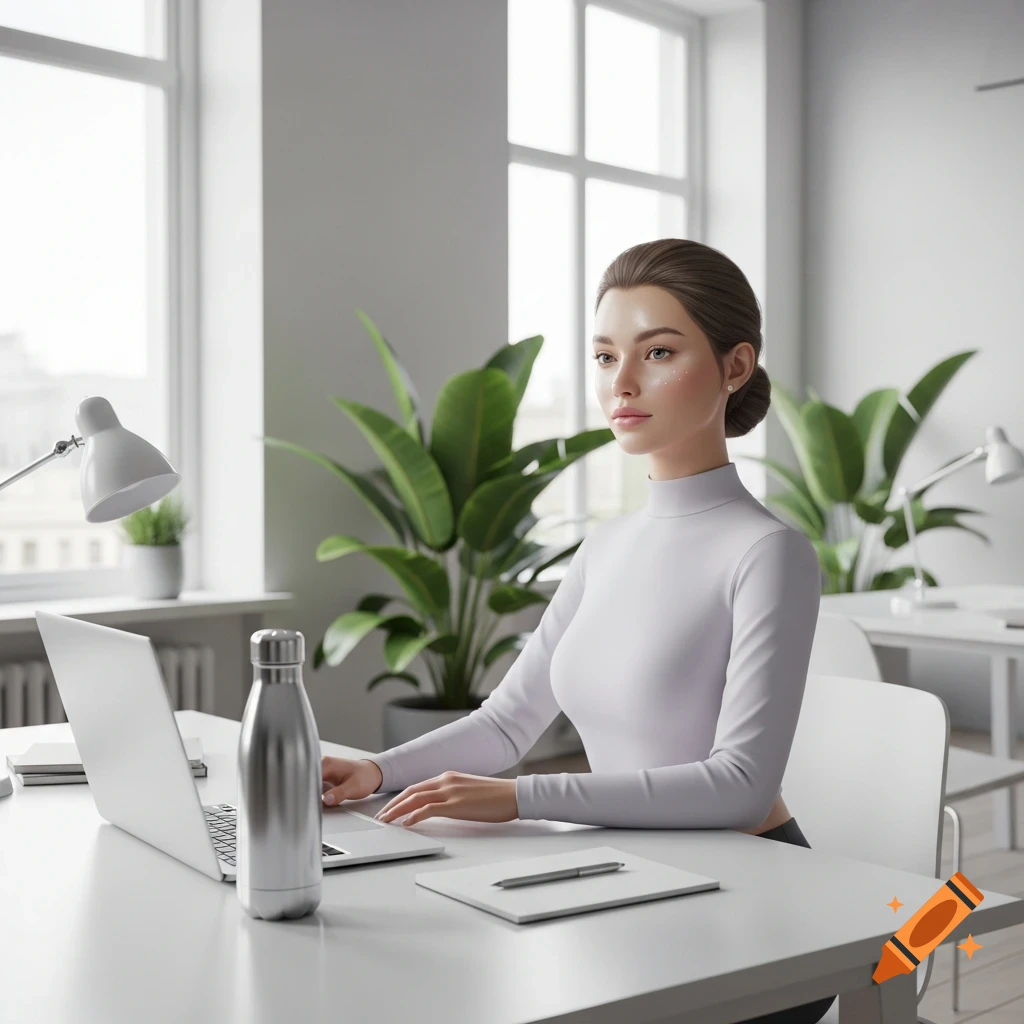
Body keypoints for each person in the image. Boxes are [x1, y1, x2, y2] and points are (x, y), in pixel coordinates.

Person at [321, 238, 832, 1024]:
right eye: (602, 357)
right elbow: (507, 723)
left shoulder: (769, 552)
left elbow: (741, 787)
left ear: (735, 367)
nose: (621, 385)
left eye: (657, 352)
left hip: (751, 899)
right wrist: (376, 771)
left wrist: (521, 799)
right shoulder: (610, 544)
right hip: (631, 871)